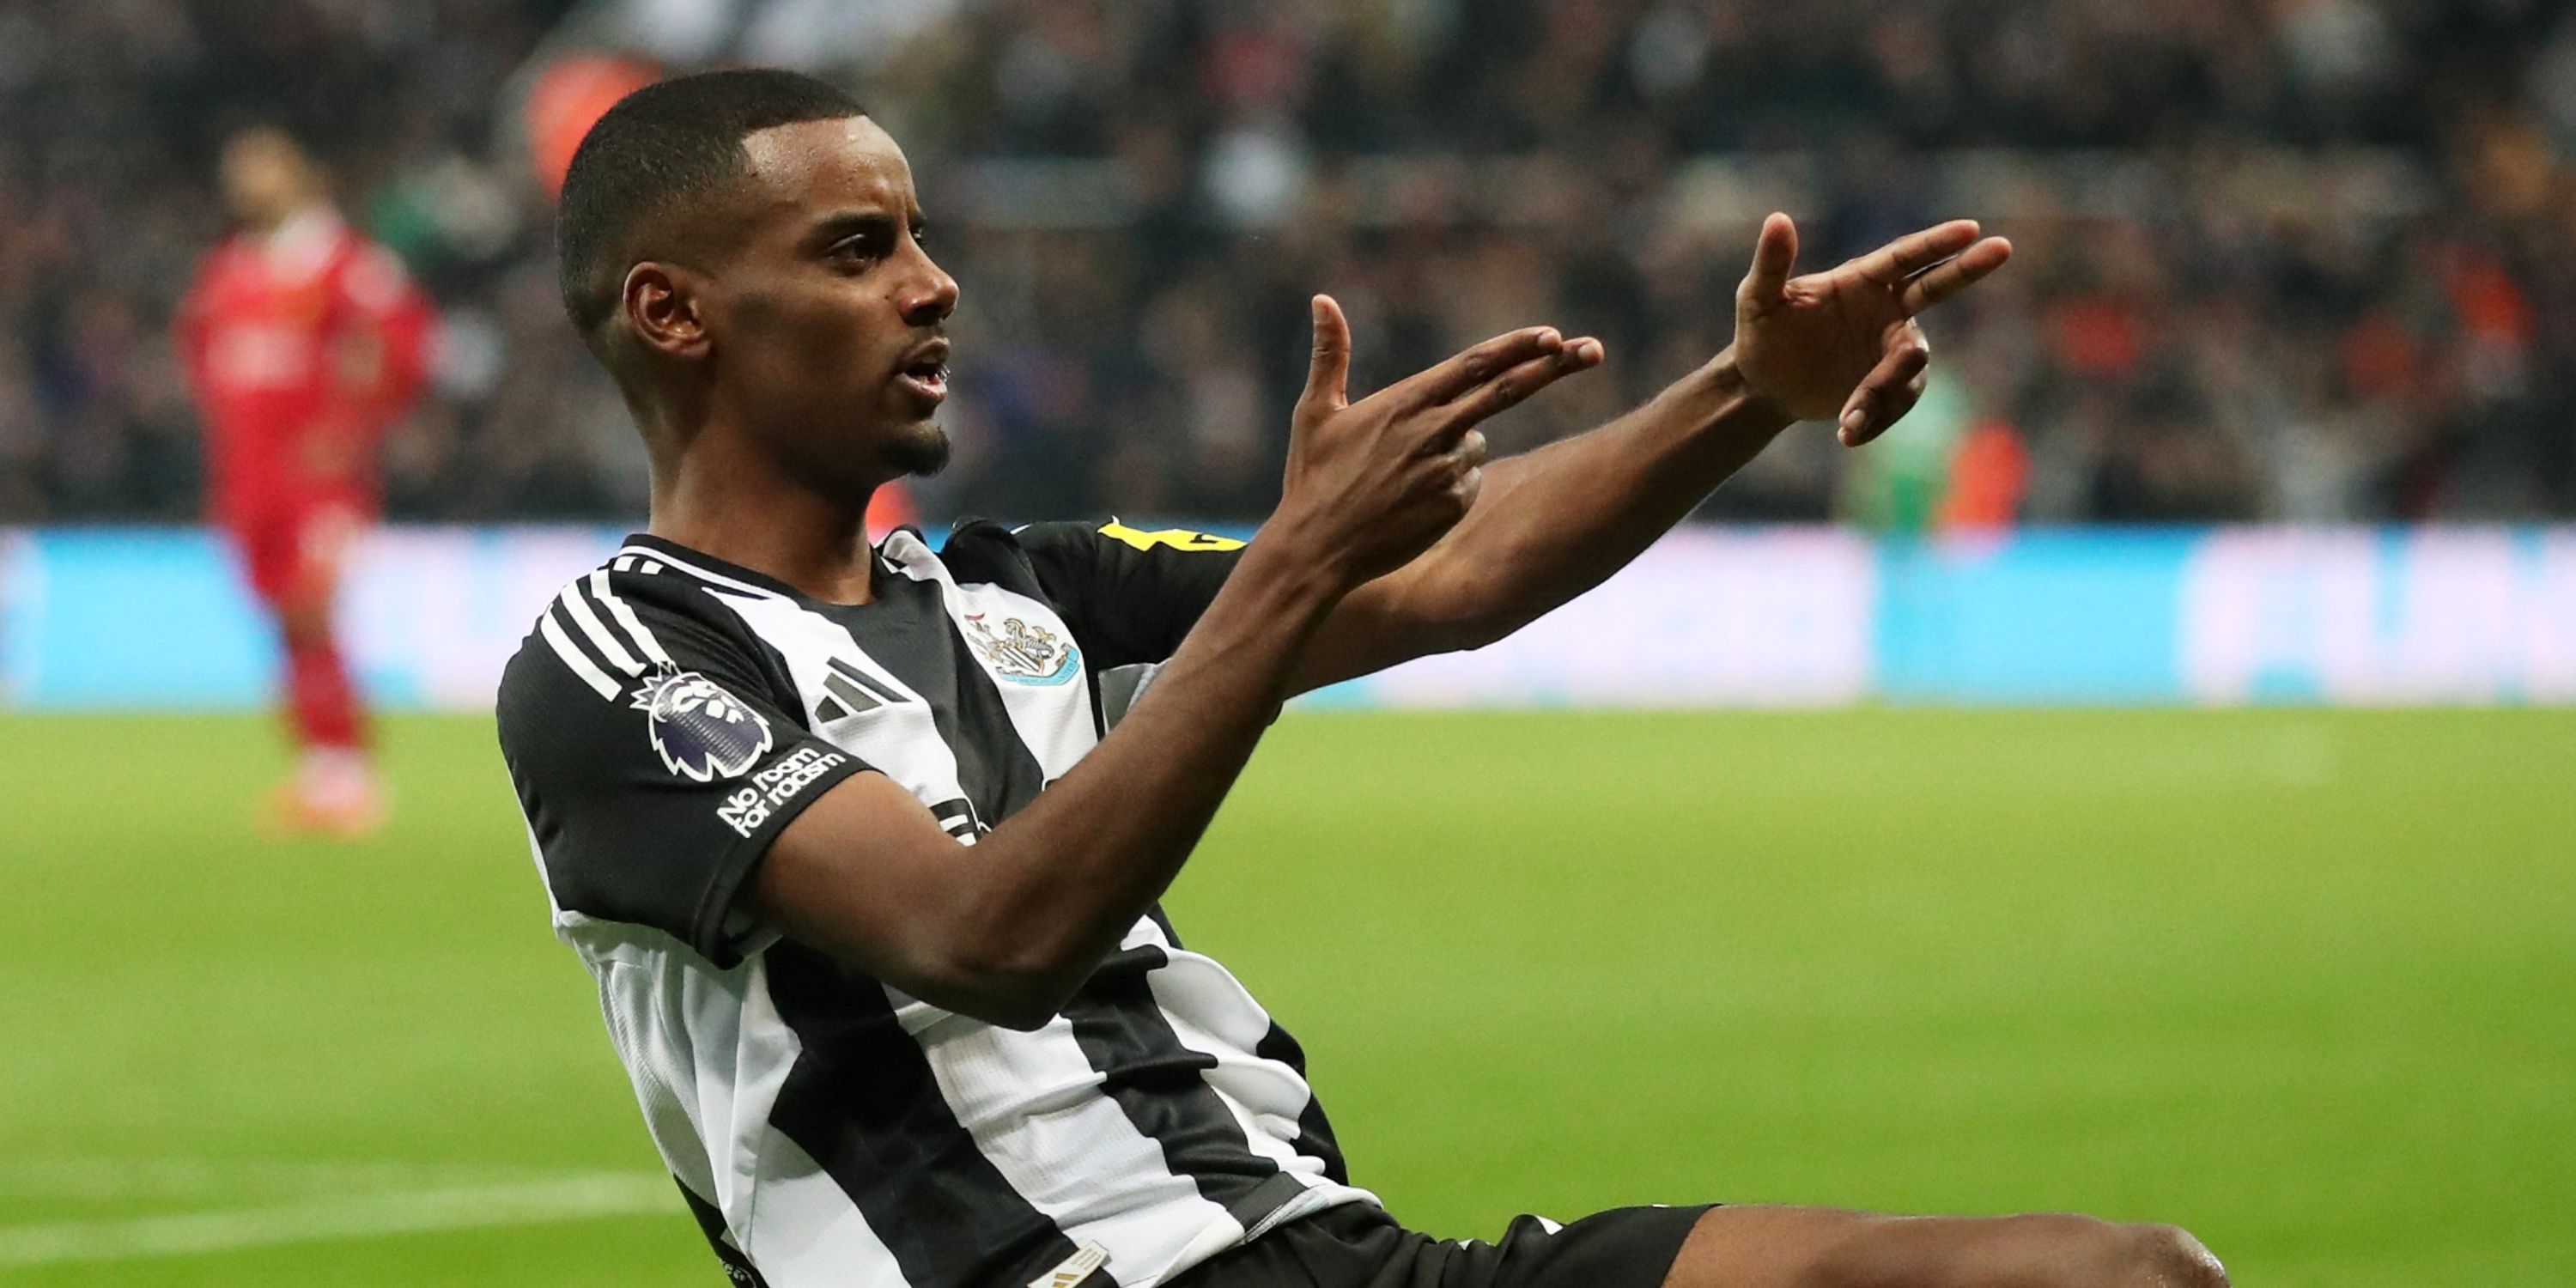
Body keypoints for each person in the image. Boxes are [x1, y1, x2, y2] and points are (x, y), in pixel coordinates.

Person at [496, 70, 2224, 1288]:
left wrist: (1746, 393)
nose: (934, 283)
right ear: (674, 312)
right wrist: (1298, 561)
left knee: (2124, 1275)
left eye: (920, 236)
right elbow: (986, 942)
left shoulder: (1013, 590)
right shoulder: (621, 663)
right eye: (857, 250)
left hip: (1317, 1250)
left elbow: (1457, 573)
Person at [178, 126, 433, 838]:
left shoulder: (344, 262)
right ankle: (321, 772)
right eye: (238, 171)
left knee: (312, 609)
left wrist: (350, 428)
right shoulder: (231, 269)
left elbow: (403, 345)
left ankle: (350, 776)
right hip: (246, 481)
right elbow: (204, 355)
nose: (246, 183)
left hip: (317, 483)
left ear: (299, 173)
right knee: (283, 622)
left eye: (261, 168)